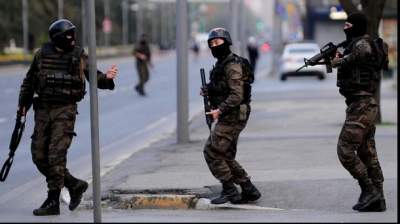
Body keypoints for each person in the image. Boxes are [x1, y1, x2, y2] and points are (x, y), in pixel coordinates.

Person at [17, 19, 118, 216]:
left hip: (65, 109)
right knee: (39, 157)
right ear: (58, 38)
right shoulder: (42, 54)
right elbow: (29, 82)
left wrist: (107, 78)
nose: (72, 39)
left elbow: (95, 76)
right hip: (43, 110)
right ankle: (73, 184)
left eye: (73, 35)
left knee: (55, 156)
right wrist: (23, 104)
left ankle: (53, 200)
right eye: (68, 36)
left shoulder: (78, 55)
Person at [331, 12, 386, 212]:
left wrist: (342, 61)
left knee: (344, 149)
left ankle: (369, 189)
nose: (345, 28)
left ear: (356, 26)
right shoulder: (351, 46)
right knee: (367, 153)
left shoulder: (362, 44)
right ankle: (378, 199)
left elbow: (362, 52)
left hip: (362, 105)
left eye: (348, 24)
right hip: (361, 105)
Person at [200, 27, 261, 205]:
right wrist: (208, 90)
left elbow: (237, 94)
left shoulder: (232, 65)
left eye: (217, 42)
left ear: (227, 43)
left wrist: (219, 110)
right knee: (225, 154)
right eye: (211, 43)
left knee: (211, 150)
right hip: (229, 114)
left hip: (233, 114)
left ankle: (229, 190)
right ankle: (249, 189)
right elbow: (222, 87)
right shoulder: (222, 64)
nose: (214, 45)